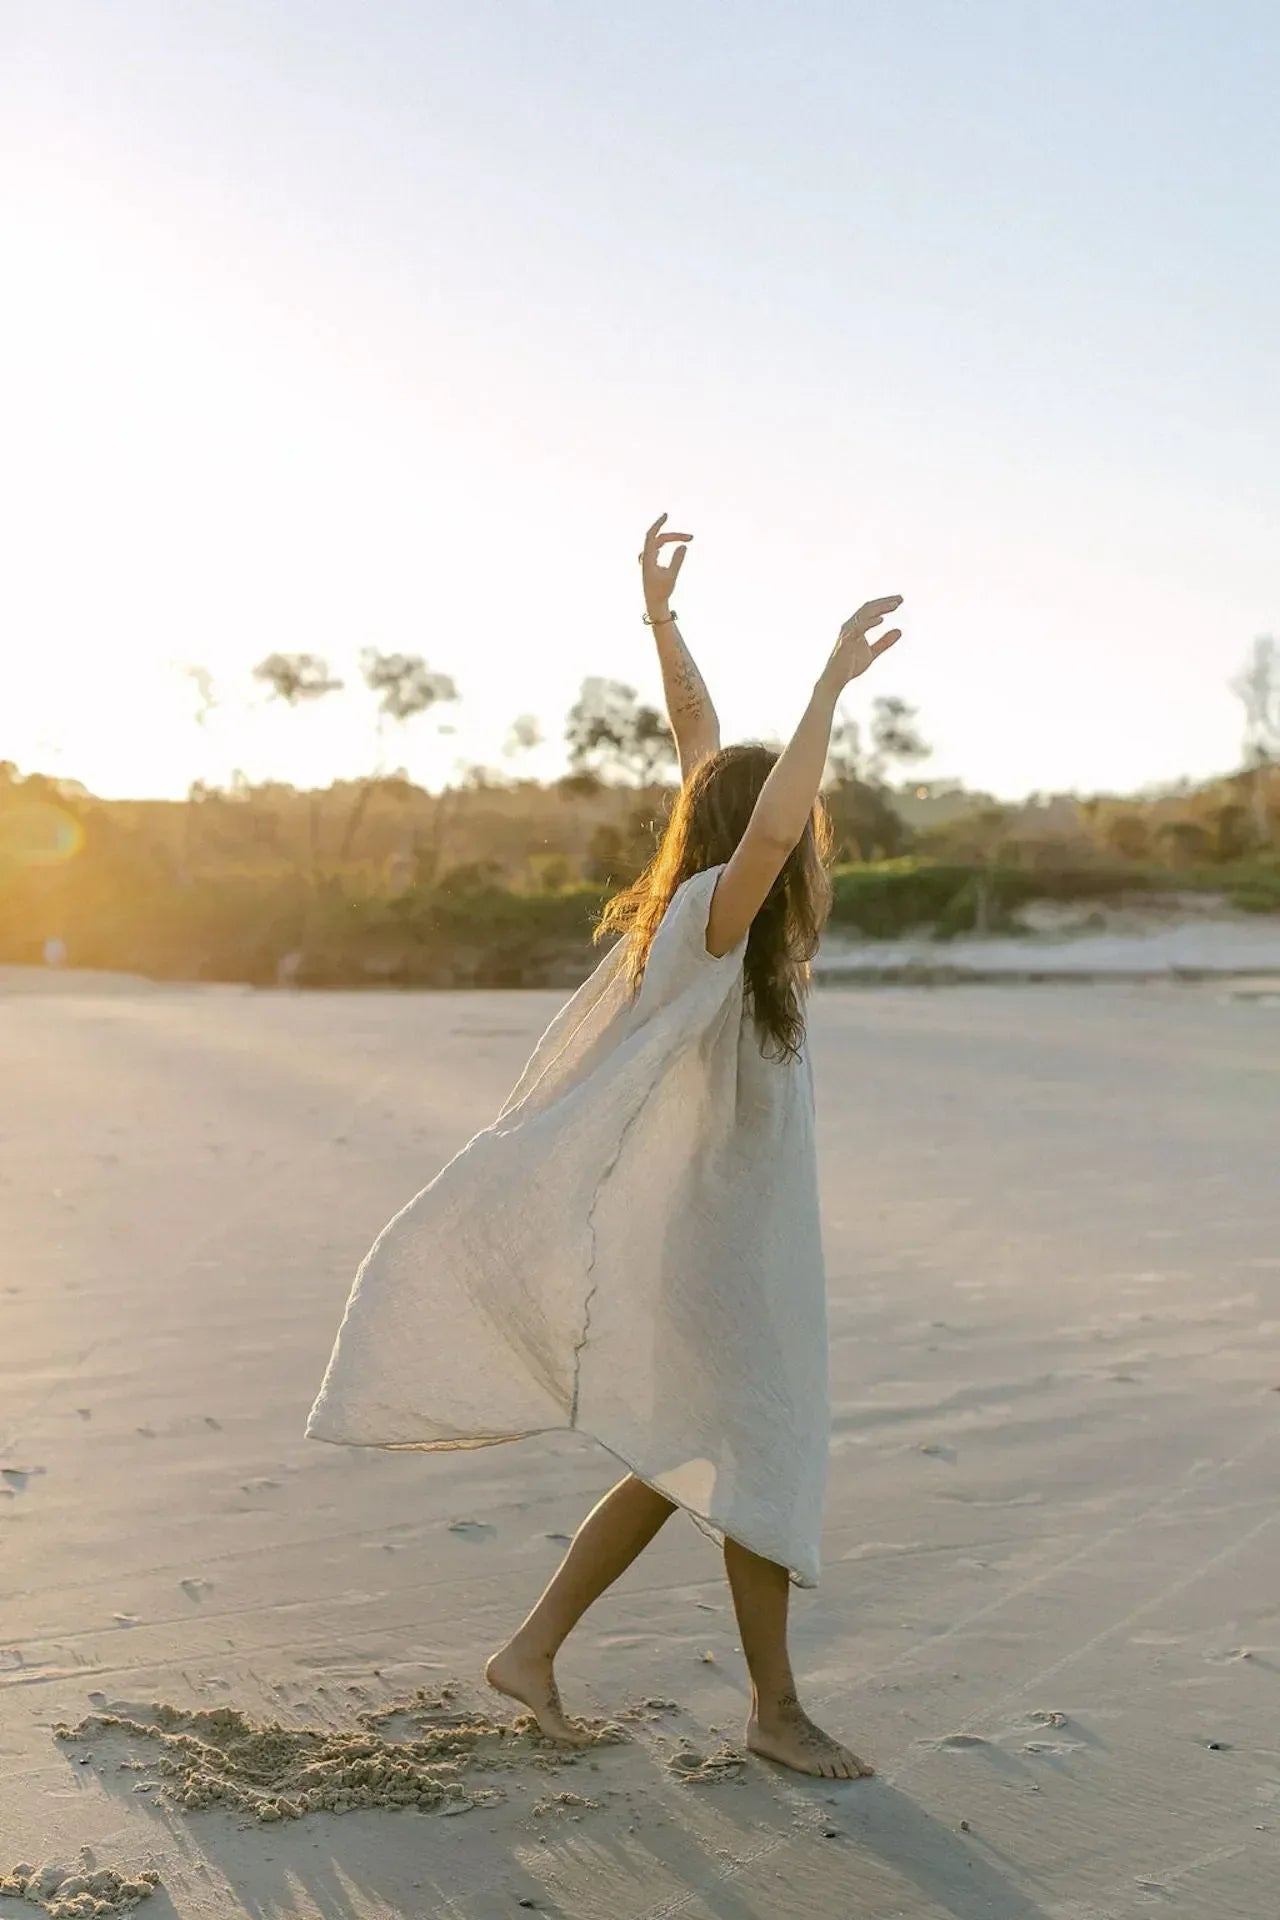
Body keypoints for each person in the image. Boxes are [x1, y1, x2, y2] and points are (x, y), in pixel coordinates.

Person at [307, 516, 903, 1780]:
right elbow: (766, 826)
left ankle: (535, 1650)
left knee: (703, 1451)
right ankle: (773, 1712)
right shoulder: (711, 914)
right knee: (759, 1446)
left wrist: (661, 624)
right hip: (723, 1248)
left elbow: (707, 761)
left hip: (732, 1233)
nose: (808, 839)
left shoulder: (729, 927)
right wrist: (825, 688)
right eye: (791, 825)